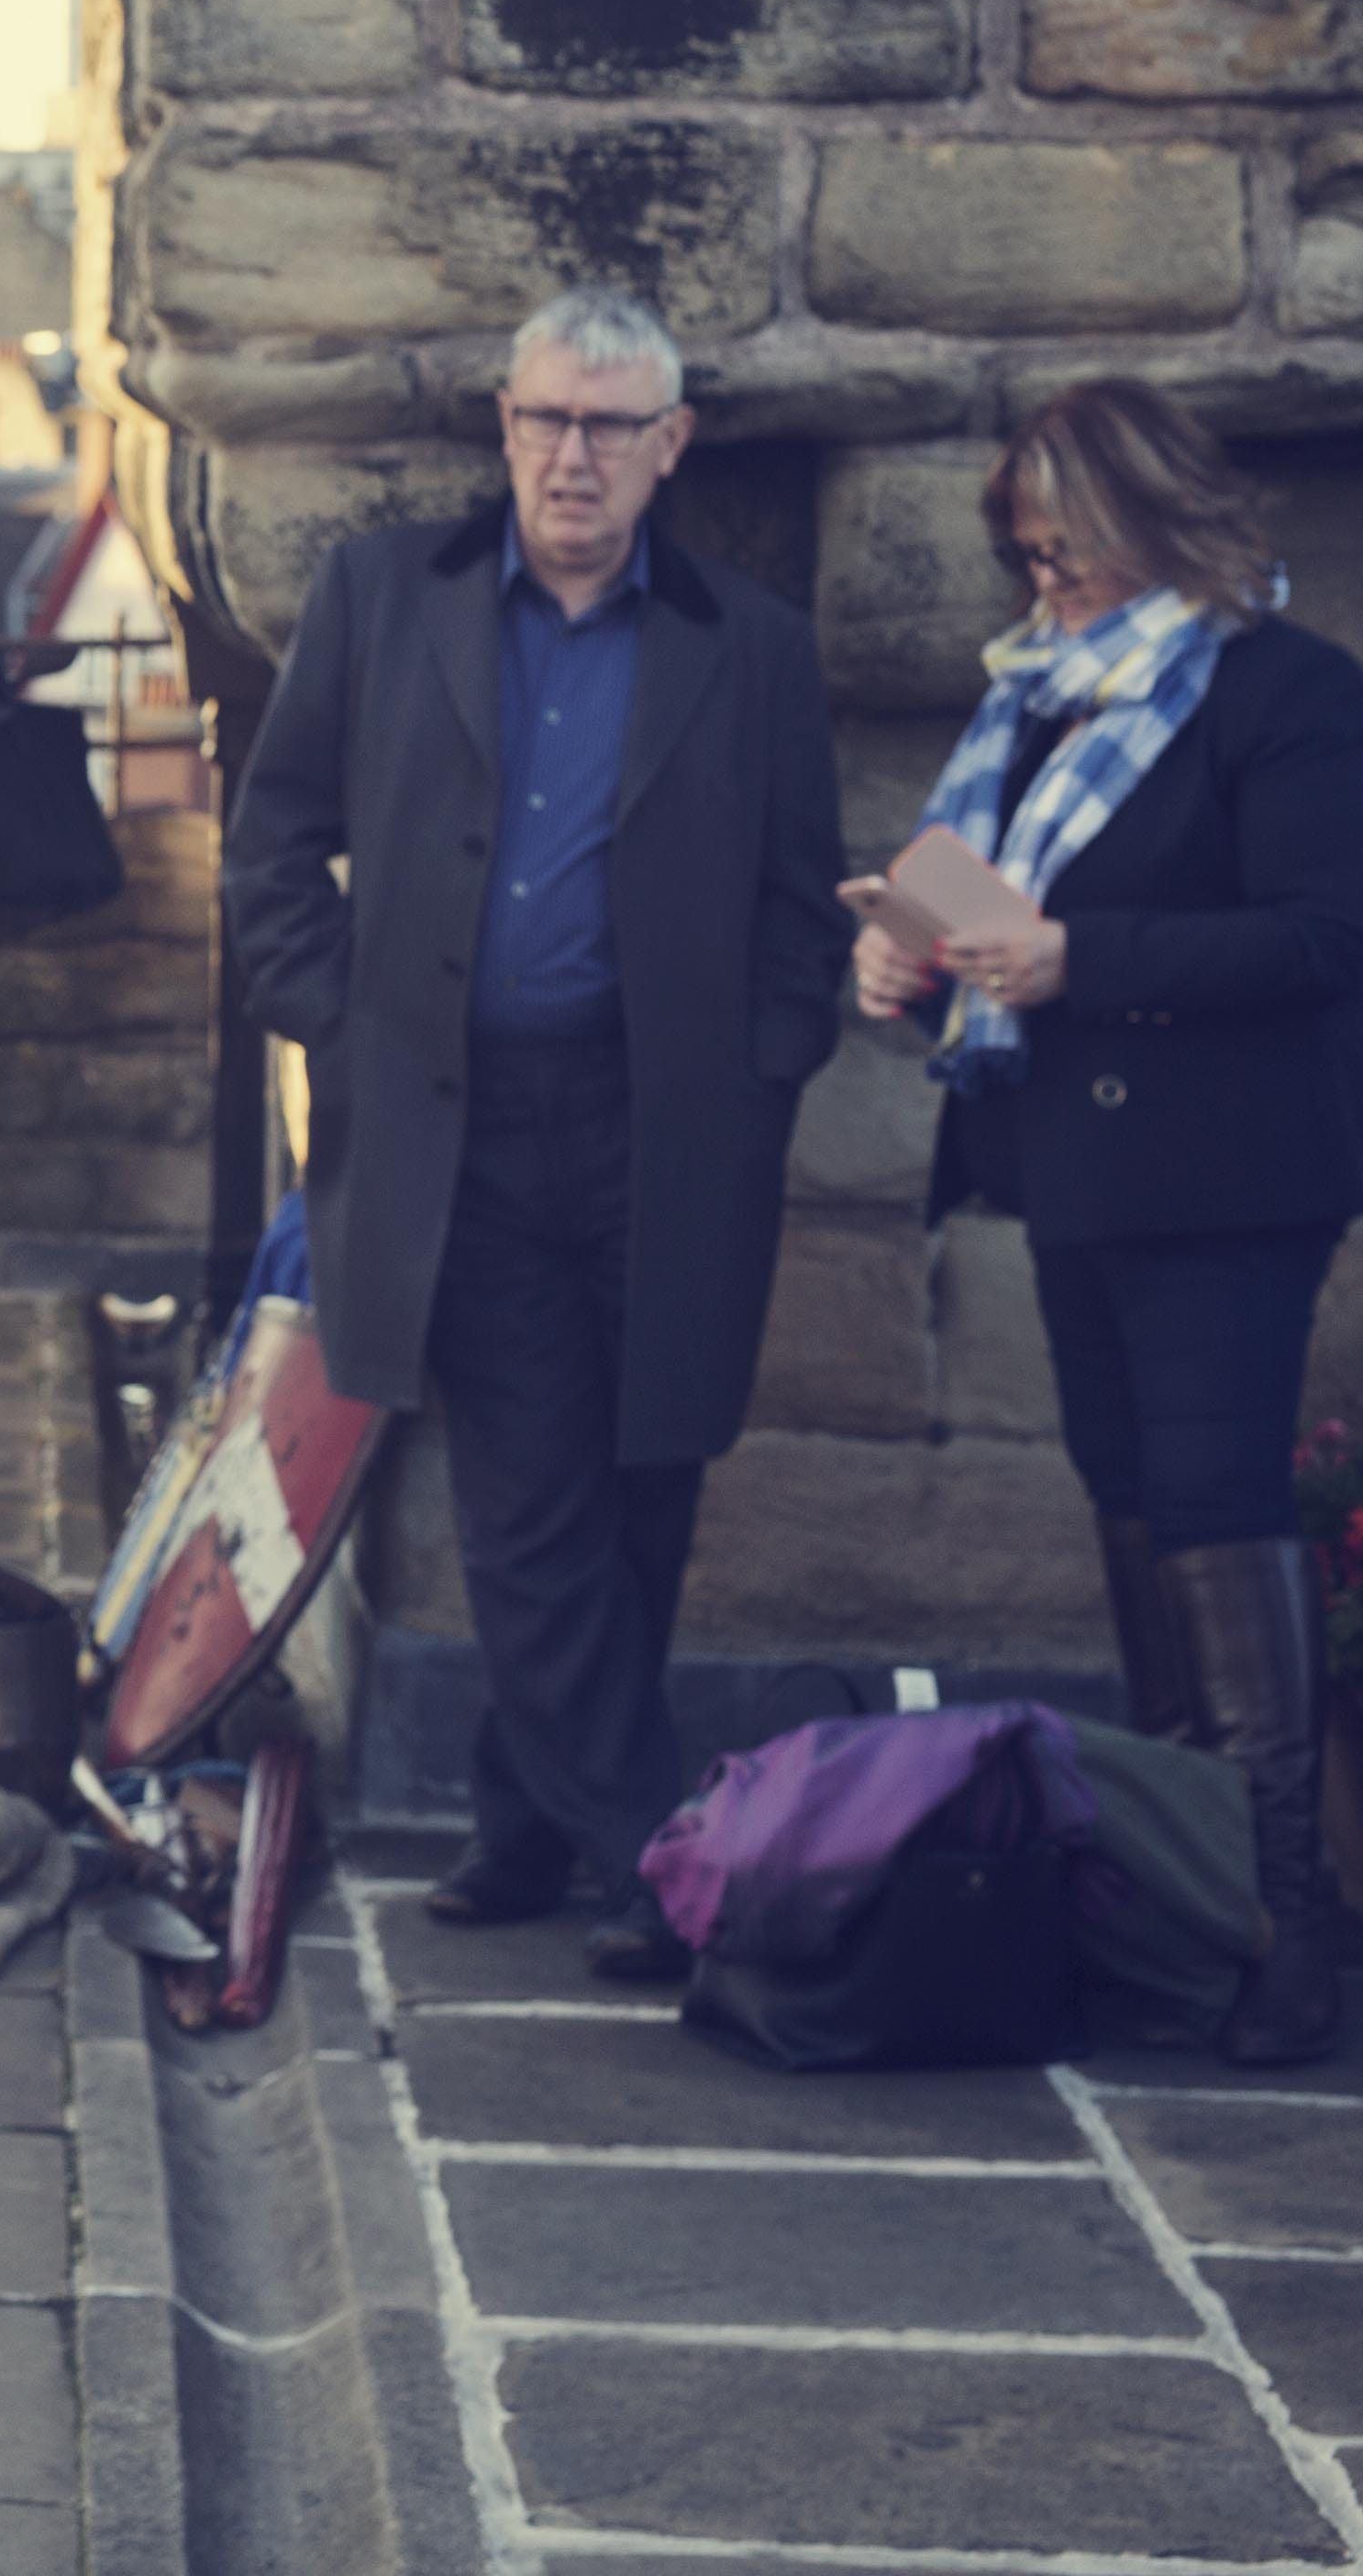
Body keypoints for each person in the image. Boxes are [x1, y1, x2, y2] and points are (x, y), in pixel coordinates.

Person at [227, 284, 848, 1985]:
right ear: (503, 426)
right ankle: (668, 1860)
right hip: (454, 1125)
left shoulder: (754, 647)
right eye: (544, 419)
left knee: (645, 1484)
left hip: (666, 1135)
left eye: (609, 426)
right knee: (524, 1505)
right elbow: (274, 831)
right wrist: (329, 1011)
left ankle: (522, 1812)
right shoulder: (380, 598)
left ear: (672, 446)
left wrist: (770, 1063)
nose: (571, 456)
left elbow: (806, 900)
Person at [857, 380, 1356, 2064]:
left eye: (1066, 553)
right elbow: (970, 891)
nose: (1042, 587)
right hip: (1071, 1164)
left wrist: (1082, 961)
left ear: (1158, 524)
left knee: (1216, 1503)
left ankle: (1292, 1922)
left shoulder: (1284, 694)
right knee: (1134, 1501)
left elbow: (1314, 941)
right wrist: (905, 955)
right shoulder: (1039, 709)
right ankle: (1188, 1882)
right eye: (1027, 554)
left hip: (1227, 1183)